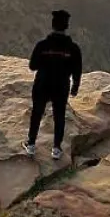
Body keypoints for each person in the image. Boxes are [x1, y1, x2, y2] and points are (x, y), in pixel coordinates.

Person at [25, 9, 82, 160]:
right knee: (59, 116)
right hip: (61, 85)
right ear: (66, 26)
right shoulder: (73, 48)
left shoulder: (42, 45)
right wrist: (75, 87)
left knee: (37, 113)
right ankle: (56, 148)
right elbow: (77, 70)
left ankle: (31, 144)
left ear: (52, 25)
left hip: (42, 83)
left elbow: (32, 66)